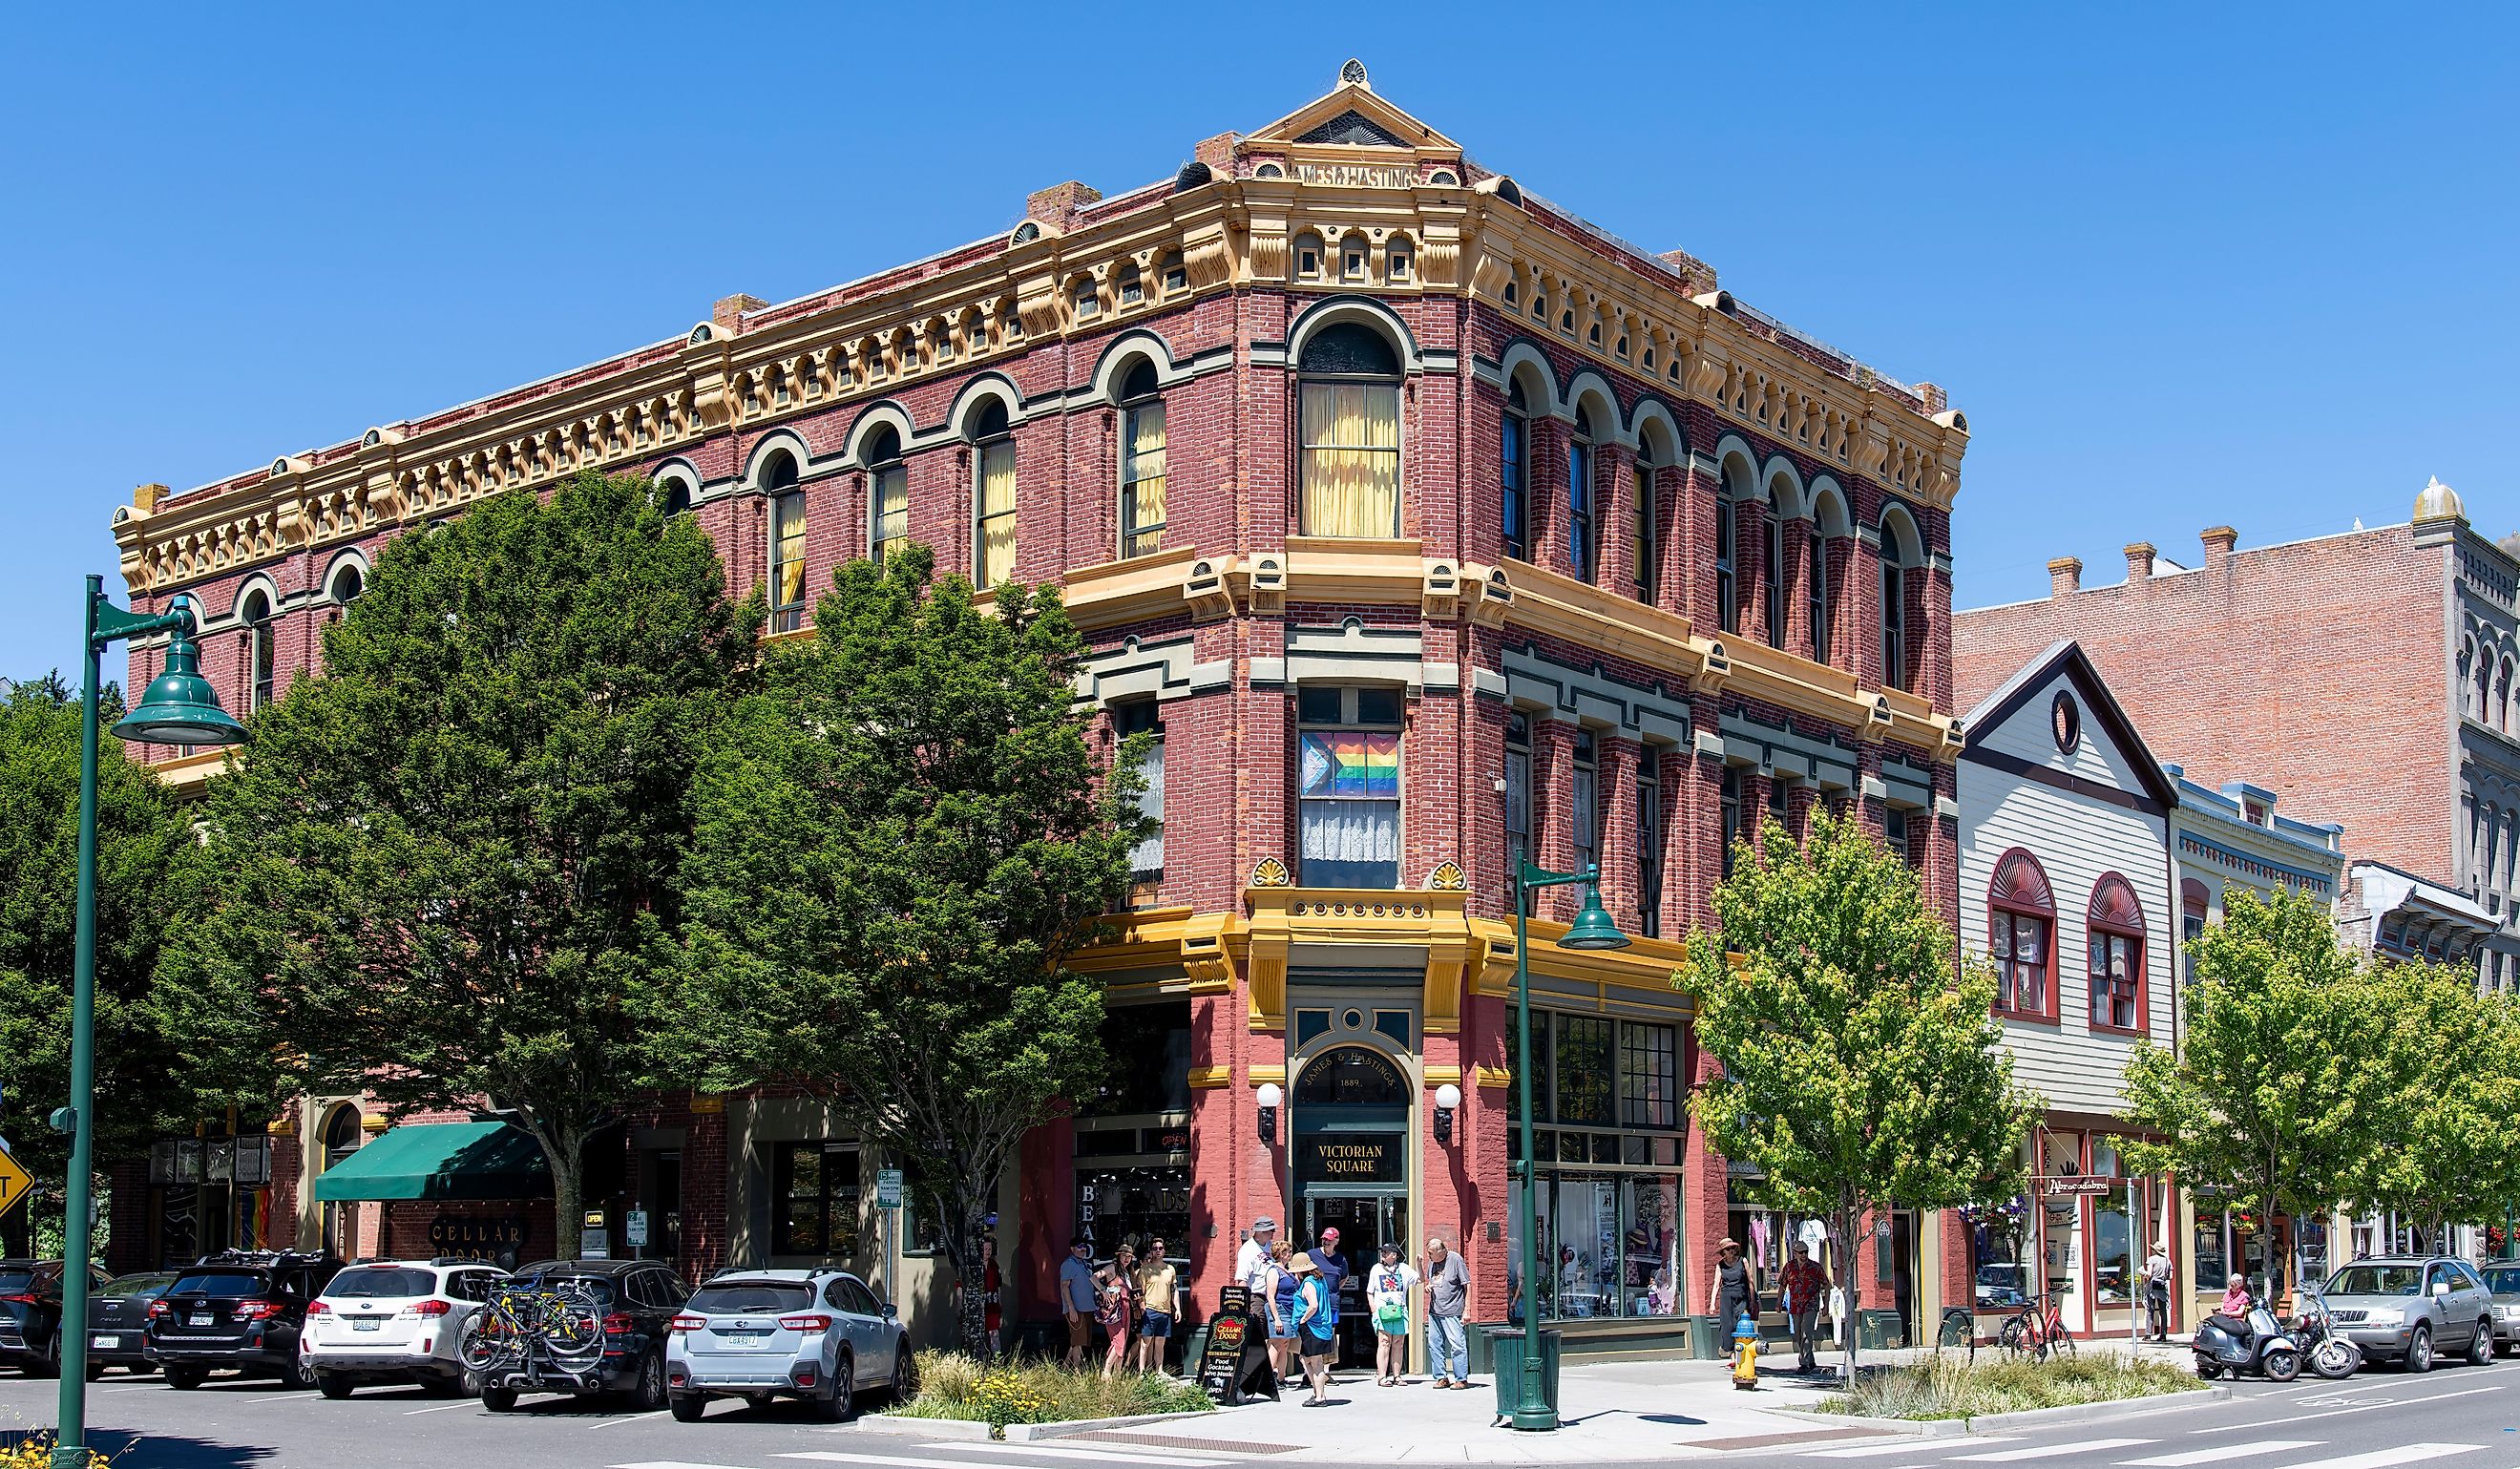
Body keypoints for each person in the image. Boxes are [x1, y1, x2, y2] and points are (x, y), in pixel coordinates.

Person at [1420, 1235, 1471, 1390]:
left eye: (1431, 1253)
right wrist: (1428, 1287)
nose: (1428, 1256)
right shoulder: (1433, 1263)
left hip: (1453, 1311)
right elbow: (1431, 1281)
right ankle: (1441, 1377)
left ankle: (1461, 1378)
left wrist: (1467, 1310)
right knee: (1434, 1344)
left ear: (1441, 1251)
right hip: (1435, 1311)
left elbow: (1467, 1284)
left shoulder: (1455, 1260)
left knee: (1457, 1345)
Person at [1367, 1242, 1418, 1386]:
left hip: (1399, 1310)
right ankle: (1382, 1376)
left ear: (1394, 1255)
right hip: (1382, 1311)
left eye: (1386, 1252)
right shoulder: (1376, 1269)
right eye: (1382, 1252)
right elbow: (1370, 1291)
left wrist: (1419, 1264)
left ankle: (1397, 1376)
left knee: (1398, 1343)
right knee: (1384, 1342)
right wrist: (1373, 1308)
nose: (1383, 1254)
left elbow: (1419, 1279)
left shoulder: (1404, 1269)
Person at [1291, 1252, 1335, 1405]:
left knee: (1316, 1363)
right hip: (1319, 1326)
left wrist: (1303, 1318)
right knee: (1305, 1359)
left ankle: (1320, 1397)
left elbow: (1314, 1305)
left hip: (1313, 1327)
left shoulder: (1309, 1283)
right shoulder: (1319, 1279)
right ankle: (1316, 1392)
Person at [1308, 1227, 1349, 1375]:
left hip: (1331, 1303)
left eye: (1329, 1240)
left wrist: (1333, 1290)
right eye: (1324, 1239)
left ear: (1336, 1241)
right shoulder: (1312, 1255)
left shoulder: (1340, 1259)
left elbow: (1344, 1277)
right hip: (1314, 1303)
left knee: (1329, 1334)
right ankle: (1311, 1370)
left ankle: (1325, 1371)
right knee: (1313, 1333)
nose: (1326, 1242)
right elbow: (1301, 1273)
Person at [1780, 1242, 1826, 1373]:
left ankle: (1804, 1364)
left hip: (1811, 1304)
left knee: (1807, 1331)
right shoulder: (1789, 1267)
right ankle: (1810, 1360)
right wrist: (1778, 1302)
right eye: (1801, 1252)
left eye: (1806, 1252)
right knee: (1798, 1333)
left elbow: (1826, 1285)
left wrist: (1826, 1305)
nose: (1804, 1255)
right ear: (1795, 1253)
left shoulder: (1815, 1267)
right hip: (1795, 1304)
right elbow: (1783, 1285)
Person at [1135, 1236, 1179, 1375]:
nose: (1158, 1251)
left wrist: (1177, 1308)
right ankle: (1142, 1372)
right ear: (1152, 1251)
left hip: (1165, 1311)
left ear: (1164, 1251)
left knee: (1160, 1342)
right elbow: (1140, 1292)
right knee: (1145, 1342)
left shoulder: (1170, 1269)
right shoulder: (1145, 1270)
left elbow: (1174, 1289)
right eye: (1155, 1249)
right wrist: (1142, 1308)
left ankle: (1158, 1370)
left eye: (1160, 1248)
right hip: (1150, 1309)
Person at [1709, 1236, 1759, 1339]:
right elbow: (1716, 1285)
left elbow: (1751, 1281)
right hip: (1726, 1298)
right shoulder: (1720, 1265)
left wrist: (1753, 1300)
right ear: (1723, 1252)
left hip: (1741, 1296)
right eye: (1728, 1249)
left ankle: (1742, 1348)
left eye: (1732, 1248)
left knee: (1742, 1322)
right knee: (1727, 1325)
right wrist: (1712, 1304)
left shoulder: (1743, 1261)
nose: (1731, 1251)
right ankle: (1729, 1350)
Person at [1059, 1237, 1098, 1370]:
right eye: (1080, 1246)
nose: (1083, 1249)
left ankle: (1065, 1366)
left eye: (1084, 1246)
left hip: (1087, 1309)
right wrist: (1071, 1308)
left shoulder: (1083, 1264)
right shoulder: (1069, 1264)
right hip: (1076, 1310)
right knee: (1078, 1341)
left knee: (1079, 1341)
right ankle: (1076, 1371)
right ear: (1072, 1249)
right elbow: (1065, 1287)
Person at [1268, 1239, 1302, 1386]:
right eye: (1288, 1252)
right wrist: (1276, 1318)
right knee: (1276, 1343)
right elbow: (1270, 1296)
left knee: (1285, 1344)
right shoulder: (1273, 1271)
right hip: (1280, 1309)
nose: (1290, 1255)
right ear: (1281, 1254)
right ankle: (1268, 1379)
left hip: (1291, 1310)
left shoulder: (1288, 1270)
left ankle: (1281, 1378)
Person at [1099, 1250, 1135, 1376]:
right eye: (1124, 1256)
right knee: (1118, 1339)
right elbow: (1094, 1277)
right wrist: (1104, 1291)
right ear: (1119, 1255)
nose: (1126, 1259)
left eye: (1129, 1257)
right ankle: (1106, 1371)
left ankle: (1117, 1374)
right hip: (1114, 1307)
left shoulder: (1127, 1272)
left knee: (1122, 1341)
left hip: (1126, 1307)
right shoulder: (1112, 1267)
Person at [1235, 1216, 1279, 1295]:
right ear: (1260, 1232)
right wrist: (1244, 1300)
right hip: (1256, 1296)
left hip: (1271, 1295)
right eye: (1271, 1230)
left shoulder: (1270, 1245)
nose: (1273, 1233)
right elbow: (1242, 1278)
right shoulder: (1248, 1250)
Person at [978, 1235, 1004, 1361]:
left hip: (993, 1305)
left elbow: (999, 1287)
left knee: (994, 1333)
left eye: (990, 1249)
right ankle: (981, 1361)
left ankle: (997, 1361)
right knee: (980, 1334)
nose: (988, 1251)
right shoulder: (975, 1266)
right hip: (979, 1305)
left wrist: (1000, 1305)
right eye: (986, 1249)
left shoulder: (994, 1266)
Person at [2142, 1244, 2173, 1341]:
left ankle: (2148, 1334)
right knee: (2163, 1311)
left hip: (2152, 1286)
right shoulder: (2167, 1261)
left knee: (2150, 1310)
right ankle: (2163, 1334)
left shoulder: (2151, 1259)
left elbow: (2149, 1274)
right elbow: (2170, 1277)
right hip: (2162, 1287)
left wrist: (2142, 1272)